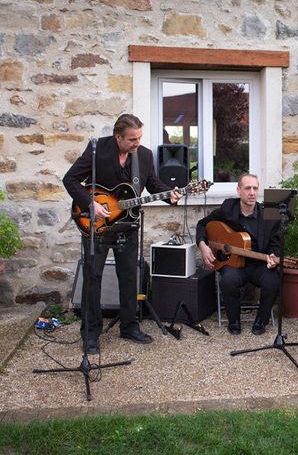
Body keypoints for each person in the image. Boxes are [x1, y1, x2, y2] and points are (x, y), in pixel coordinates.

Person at [63, 114, 182, 355]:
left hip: (128, 226)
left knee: (129, 276)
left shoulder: (145, 155)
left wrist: (170, 194)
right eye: (132, 139)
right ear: (118, 137)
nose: (137, 142)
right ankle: (91, 334)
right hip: (96, 225)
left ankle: (129, 326)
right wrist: (89, 204)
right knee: (92, 278)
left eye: (139, 137)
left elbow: (152, 184)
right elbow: (71, 179)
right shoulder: (98, 150)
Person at [195, 173, 280, 335]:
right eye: (247, 188)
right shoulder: (228, 208)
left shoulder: (268, 215)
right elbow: (202, 224)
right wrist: (203, 245)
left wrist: (273, 256)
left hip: (258, 264)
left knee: (272, 281)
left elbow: (275, 241)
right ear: (238, 191)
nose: (252, 192)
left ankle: (261, 320)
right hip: (233, 264)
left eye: (255, 188)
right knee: (228, 279)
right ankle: (234, 321)